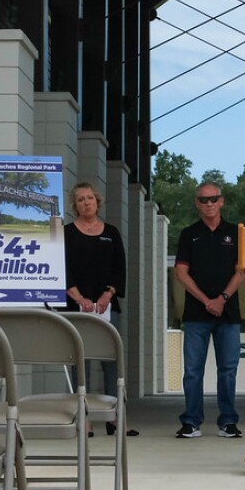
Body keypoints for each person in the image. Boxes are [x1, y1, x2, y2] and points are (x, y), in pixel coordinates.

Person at [175, 181, 245, 439]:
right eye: (203, 200)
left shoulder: (236, 233)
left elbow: (242, 270)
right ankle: (191, 422)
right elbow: (180, 272)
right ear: (197, 203)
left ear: (222, 201)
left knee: (228, 370)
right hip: (196, 316)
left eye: (213, 199)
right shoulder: (188, 233)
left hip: (228, 314)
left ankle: (228, 421)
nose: (209, 204)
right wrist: (207, 301)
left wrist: (222, 298)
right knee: (193, 371)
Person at [64, 181, 134, 437]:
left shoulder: (112, 232)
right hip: (76, 306)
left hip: (107, 305)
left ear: (98, 201)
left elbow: (120, 268)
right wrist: (78, 297)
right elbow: (62, 269)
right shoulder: (67, 233)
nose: (86, 203)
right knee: (80, 361)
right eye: (80, 199)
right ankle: (83, 419)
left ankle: (115, 417)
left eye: (90, 198)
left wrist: (108, 293)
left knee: (111, 361)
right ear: (75, 205)